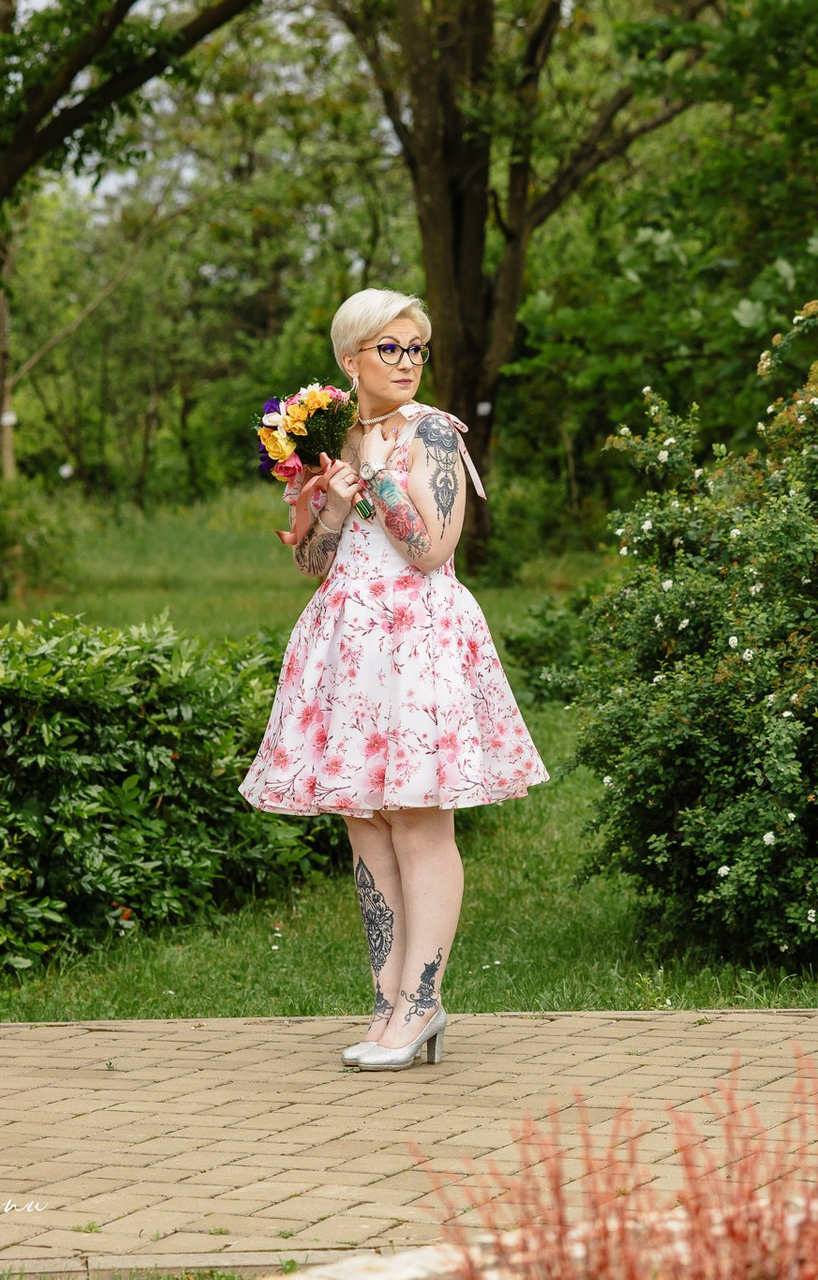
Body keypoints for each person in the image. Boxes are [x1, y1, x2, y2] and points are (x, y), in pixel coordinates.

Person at [239, 288, 549, 1072]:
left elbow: (432, 550)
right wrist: (332, 506)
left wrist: (379, 479)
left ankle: (422, 1003)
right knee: (367, 820)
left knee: (417, 820)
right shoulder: (332, 440)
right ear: (351, 359)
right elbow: (314, 563)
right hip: (350, 646)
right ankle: (387, 1006)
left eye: (416, 348)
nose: (408, 362)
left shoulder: (432, 433)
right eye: (391, 348)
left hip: (417, 644)